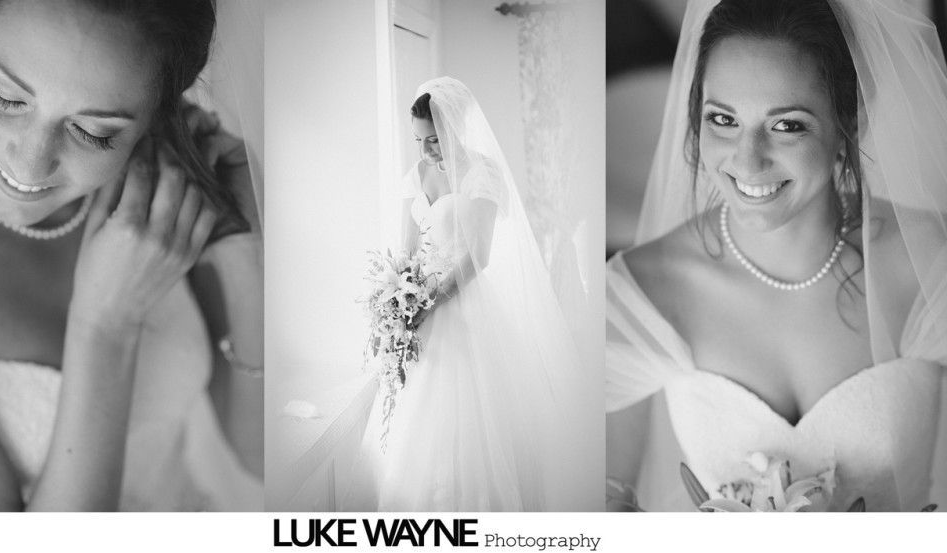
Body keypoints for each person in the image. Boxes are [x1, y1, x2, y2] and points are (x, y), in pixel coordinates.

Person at [606, 0, 947, 511]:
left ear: (849, 121)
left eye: (787, 125)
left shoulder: (925, 265)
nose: (746, 161)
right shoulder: (644, 288)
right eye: (723, 119)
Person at [0, 0, 264, 511]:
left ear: (155, 122)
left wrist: (242, 248)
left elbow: (257, 454)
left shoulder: (163, 187)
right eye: (1, 94)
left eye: (94, 132)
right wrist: (105, 324)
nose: (31, 163)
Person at [340, 77, 603, 511]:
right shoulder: (419, 173)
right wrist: (397, 299)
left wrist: (430, 302)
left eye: (434, 139)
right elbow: (407, 248)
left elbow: (478, 257)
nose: (426, 150)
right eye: (419, 140)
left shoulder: (482, 173)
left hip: (464, 305)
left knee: (470, 424)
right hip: (418, 309)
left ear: (455, 129)